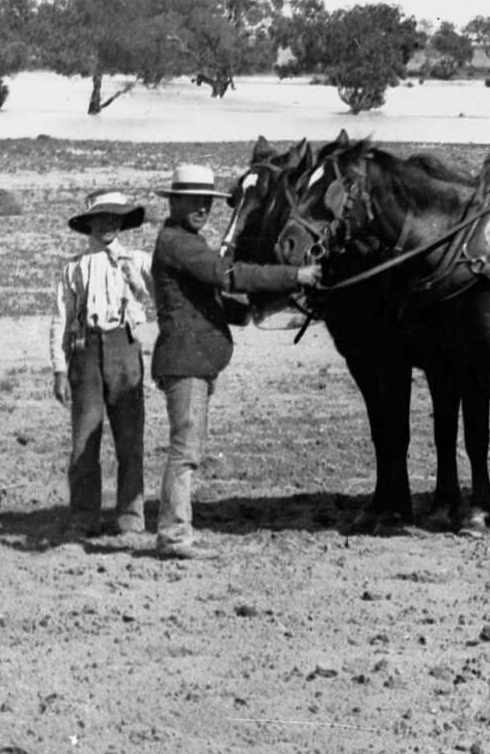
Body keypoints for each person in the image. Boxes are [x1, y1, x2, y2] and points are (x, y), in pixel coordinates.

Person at [150, 162, 319, 559]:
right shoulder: (181, 244)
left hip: (192, 358)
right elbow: (229, 274)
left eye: (207, 203)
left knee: (186, 449)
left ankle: (174, 533)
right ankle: (174, 537)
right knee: (185, 451)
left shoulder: (180, 241)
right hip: (188, 361)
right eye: (192, 201)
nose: (202, 209)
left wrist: (245, 309)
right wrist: (296, 277)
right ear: (174, 203)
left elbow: (208, 296)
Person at [50, 190, 153, 541]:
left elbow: (161, 291)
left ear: (123, 222)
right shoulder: (74, 268)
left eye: (116, 217)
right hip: (85, 353)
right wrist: (59, 369)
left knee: (130, 441)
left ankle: (130, 517)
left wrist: (136, 277)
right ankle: (83, 519)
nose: (109, 224)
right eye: (102, 217)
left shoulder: (138, 260)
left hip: (125, 349)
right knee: (83, 443)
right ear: (90, 222)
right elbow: (60, 319)